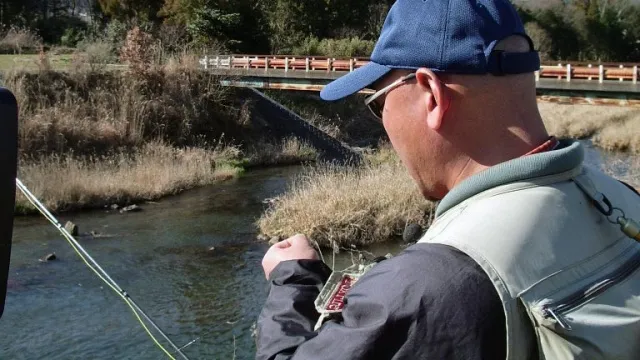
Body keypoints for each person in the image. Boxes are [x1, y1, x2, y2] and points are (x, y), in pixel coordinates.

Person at [255, 1, 640, 359]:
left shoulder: (433, 282)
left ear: (432, 95)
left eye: (377, 102)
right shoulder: (621, 199)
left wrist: (293, 282)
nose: (383, 119)